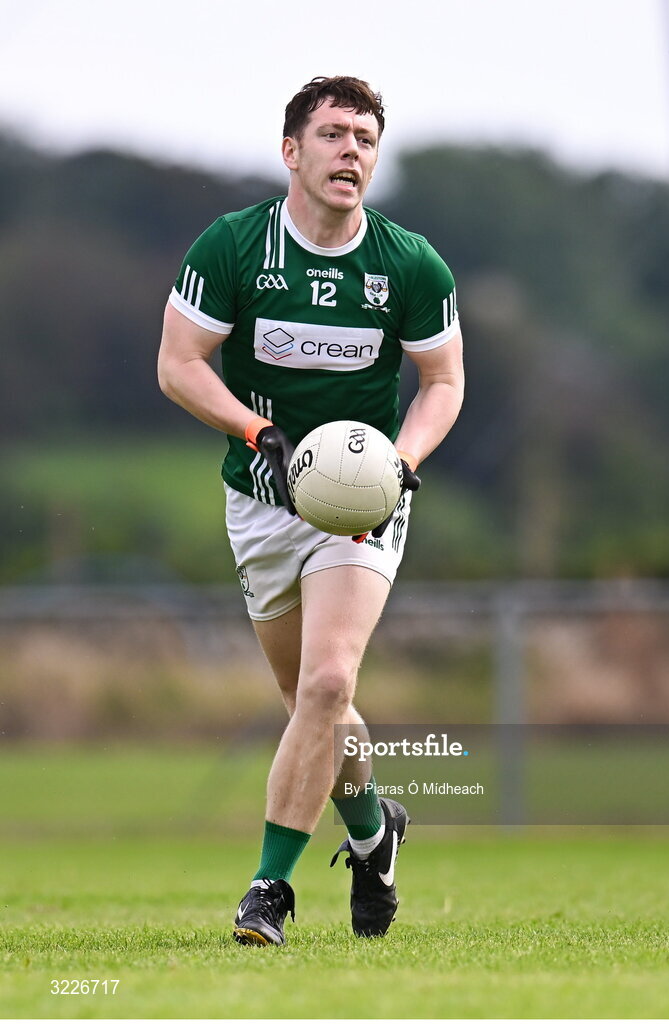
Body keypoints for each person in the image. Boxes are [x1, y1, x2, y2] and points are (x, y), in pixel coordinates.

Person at [157, 75, 464, 946]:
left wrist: (402, 461)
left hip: (363, 504)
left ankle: (269, 889)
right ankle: (375, 834)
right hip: (260, 501)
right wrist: (258, 433)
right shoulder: (234, 246)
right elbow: (179, 363)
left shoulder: (409, 264)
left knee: (330, 681)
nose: (351, 152)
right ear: (292, 151)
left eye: (365, 138)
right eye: (333, 135)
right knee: (310, 701)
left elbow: (443, 380)